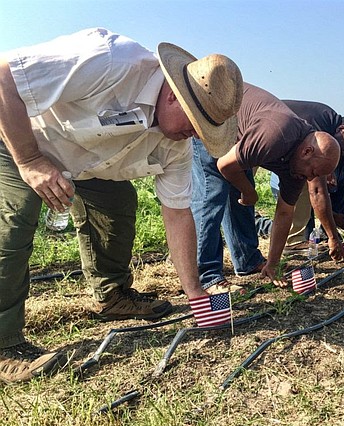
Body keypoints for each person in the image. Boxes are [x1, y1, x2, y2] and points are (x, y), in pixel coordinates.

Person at [0, 28, 243, 383]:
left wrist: (193, 291)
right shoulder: (111, 60)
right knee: (14, 220)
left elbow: (177, 214)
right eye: (196, 125)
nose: (197, 136)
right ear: (176, 98)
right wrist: (30, 160)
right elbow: (4, 75)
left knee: (118, 206)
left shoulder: (176, 144)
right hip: (19, 139)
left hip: (86, 162)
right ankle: (5, 346)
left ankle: (110, 296)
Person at [192, 83, 340, 291]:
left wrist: (273, 263)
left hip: (238, 136)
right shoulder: (277, 134)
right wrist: (248, 192)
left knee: (240, 196)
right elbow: (224, 165)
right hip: (212, 116)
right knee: (213, 192)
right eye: (314, 172)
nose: (311, 178)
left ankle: (248, 261)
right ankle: (206, 277)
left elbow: (284, 212)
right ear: (307, 152)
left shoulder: (299, 168)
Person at [269, 101, 344, 261]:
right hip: (260, 137)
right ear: (342, 130)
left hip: (287, 164)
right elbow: (317, 191)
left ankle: (291, 238)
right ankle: (273, 234)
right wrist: (333, 237)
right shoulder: (320, 129)